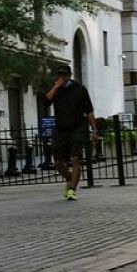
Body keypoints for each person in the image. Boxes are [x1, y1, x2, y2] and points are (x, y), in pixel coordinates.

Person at [44, 65, 96, 201]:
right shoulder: (56, 89)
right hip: (61, 129)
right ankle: (69, 179)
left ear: (69, 75)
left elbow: (89, 110)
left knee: (76, 158)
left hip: (78, 127)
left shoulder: (79, 89)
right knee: (58, 163)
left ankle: (72, 189)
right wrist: (56, 87)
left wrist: (94, 130)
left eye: (64, 75)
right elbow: (45, 101)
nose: (62, 78)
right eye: (59, 75)